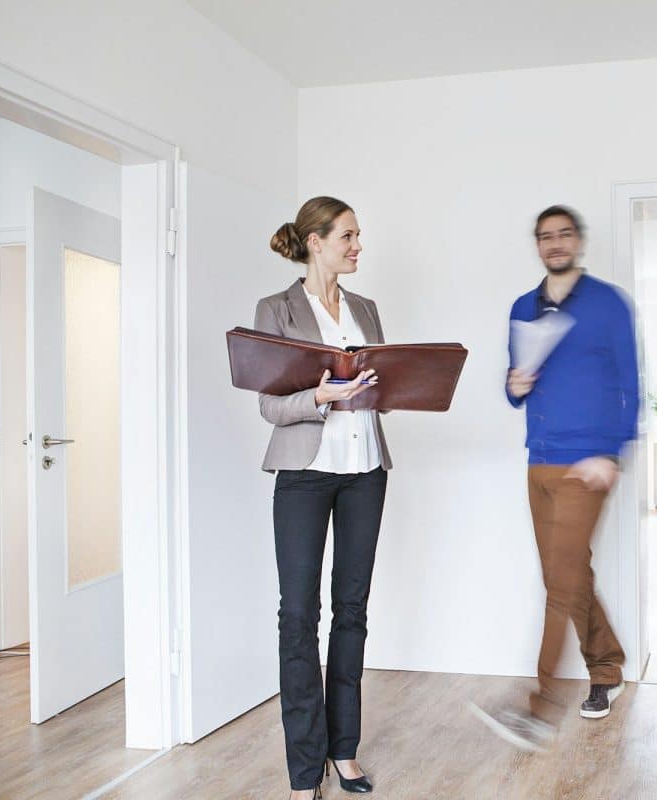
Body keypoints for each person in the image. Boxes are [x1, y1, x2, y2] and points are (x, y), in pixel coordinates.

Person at [470, 205, 640, 751]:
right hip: (539, 459)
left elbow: (631, 383)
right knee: (566, 577)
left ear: (579, 242)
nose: (556, 243)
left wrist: (612, 452)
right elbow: (514, 387)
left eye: (565, 234)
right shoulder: (524, 307)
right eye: (546, 237)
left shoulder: (609, 303)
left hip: (587, 464)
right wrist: (514, 386)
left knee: (561, 584)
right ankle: (607, 666)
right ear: (538, 245)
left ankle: (539, 709)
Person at [256, 196, 390, 798]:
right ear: (316, 242)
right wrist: (321, 397)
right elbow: (270, 405)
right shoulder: (277, 309)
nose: (358, 246)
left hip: (366, 470)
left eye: (358, 236)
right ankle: (305, 771)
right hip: (305, 474)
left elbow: (380, 392)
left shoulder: (366, 309)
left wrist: (389, 385)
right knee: (298, 617)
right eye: (348, 236)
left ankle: (344, 750)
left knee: (352, 611)